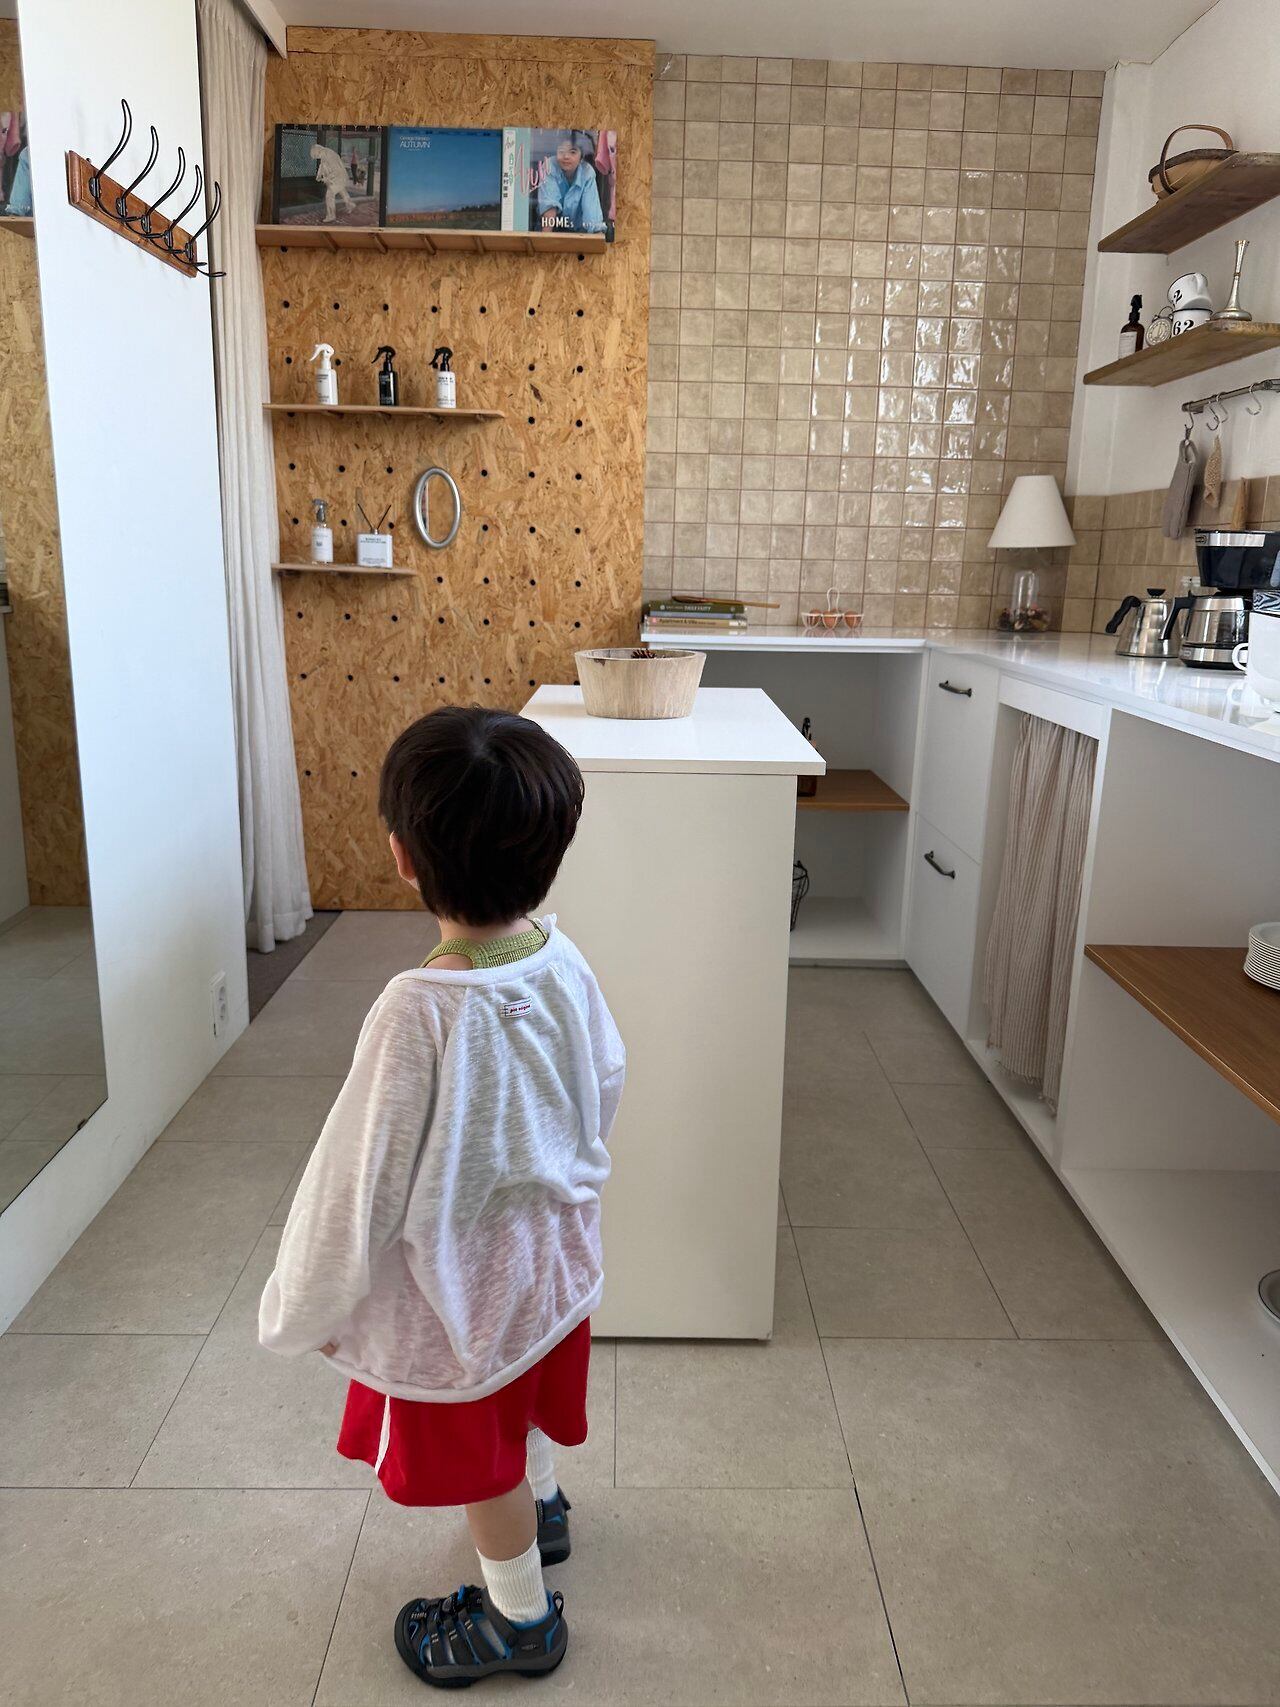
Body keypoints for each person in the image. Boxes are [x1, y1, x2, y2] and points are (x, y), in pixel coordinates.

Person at [259, 706, 625, 1688]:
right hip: (549, 1263)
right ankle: (545, 1510)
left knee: (482, 1459)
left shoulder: (417, 1011)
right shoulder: (560, 957)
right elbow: (604, 1078)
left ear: (401, 857)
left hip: (461, 1297)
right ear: (551, 851)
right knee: (525, 1401)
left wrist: (303, 1303)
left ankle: (519, 1621)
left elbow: (356, 1181)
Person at [537, 132, 606, 233]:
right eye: (561, 151)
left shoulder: (587, 172)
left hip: (579, 231)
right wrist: (545, 240)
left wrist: (597, 236)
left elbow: (591, 213)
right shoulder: (549, 166)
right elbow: (549, 207)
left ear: (581, 157)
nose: (566, 156)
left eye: (573, 152)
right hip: (552, 228)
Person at [310, 140, 354, 223]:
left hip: (339, 177)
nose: (317, 158)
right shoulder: (324, 153)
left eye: (316, 156)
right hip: (337, 178)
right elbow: (322, 166)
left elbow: (336, 170)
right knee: (342, 191)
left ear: (318, 151)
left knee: (329, 195)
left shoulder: (329, 155)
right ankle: (350, 204)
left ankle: (331, 215)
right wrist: (319, 176)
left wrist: (327, 178)